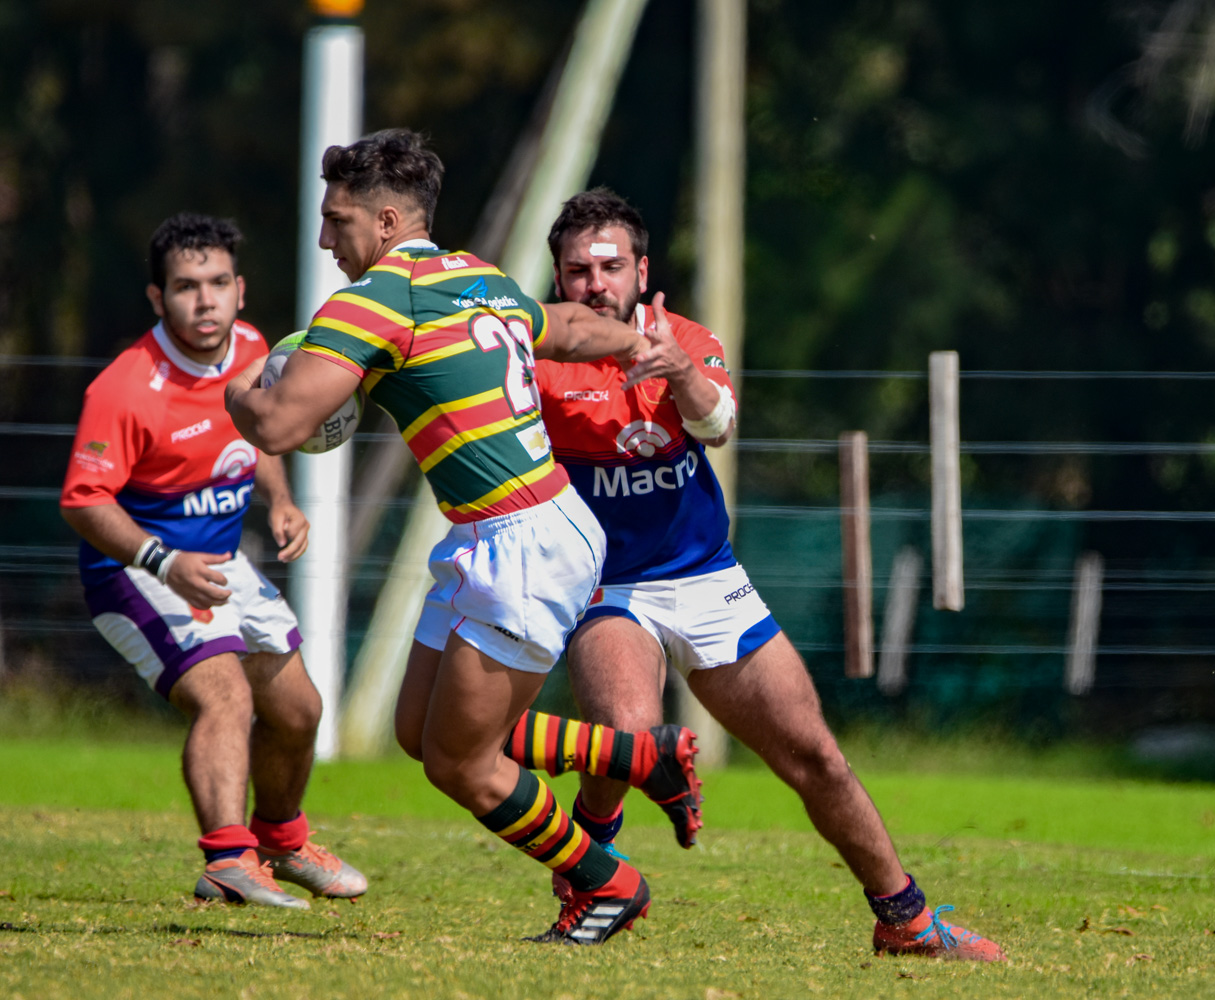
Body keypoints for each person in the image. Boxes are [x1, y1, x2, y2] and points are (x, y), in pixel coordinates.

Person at [507, 188, 1003, 961]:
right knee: (626, 736)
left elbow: (719, 425)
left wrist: (675, 373)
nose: (595, 284)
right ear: (558, 281)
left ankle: (904, 918)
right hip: (607, 587)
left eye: (610, 267)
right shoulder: (534, 358)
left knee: (817, 757)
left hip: (706, 578)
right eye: (577, 271)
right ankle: (592, 885)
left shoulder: (684, 339)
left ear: (643, 270)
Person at [224, 129, 692, 945]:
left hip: (523, 543)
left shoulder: (371, 301)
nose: (326, 239)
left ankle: (607, 882)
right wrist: (641, 343)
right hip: (504, 534)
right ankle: (638, 758)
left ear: (388, 219)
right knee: (420, 731)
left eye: (337, 220)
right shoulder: (476, 275)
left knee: (461, 763)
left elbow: (282, 422)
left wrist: (237, 390)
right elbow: (570, 330)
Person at [59, 213, 367, 910]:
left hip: (223, 561)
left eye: (218, 283)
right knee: (224, 694)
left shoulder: (256, 349)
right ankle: (227, 859)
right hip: (135, 571)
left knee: (298, 709)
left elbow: (257, 435)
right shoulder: (125, 387)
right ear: (157, 298)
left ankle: (281, 841)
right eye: (186, 286)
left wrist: (281, 500)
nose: (205, 301)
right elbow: (82, 499)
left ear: (241, 289)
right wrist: (163, 561)